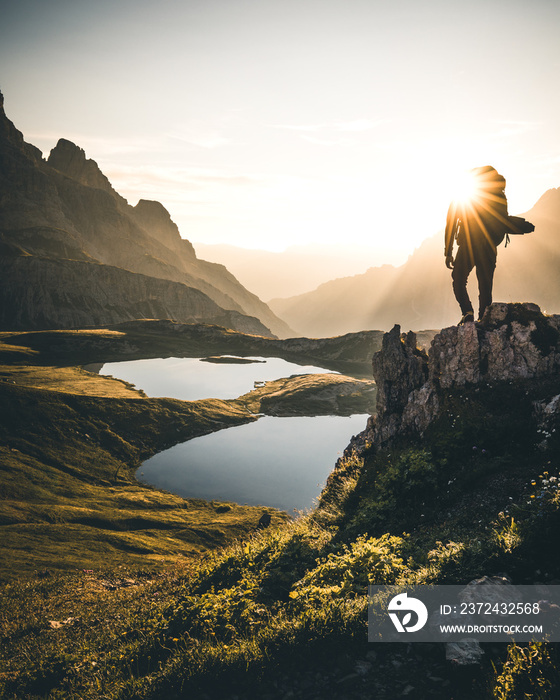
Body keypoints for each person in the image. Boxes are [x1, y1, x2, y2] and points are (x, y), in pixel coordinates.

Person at [444, 166, 509, 324]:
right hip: (489, 247)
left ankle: (467, 312)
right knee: (485, 285)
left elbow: (451, 224)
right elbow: (503, 223)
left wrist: (448, 251)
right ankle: (483, 318)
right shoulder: (498, 196)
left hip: (468, 245)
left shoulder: (462, 196)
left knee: (458, 279)